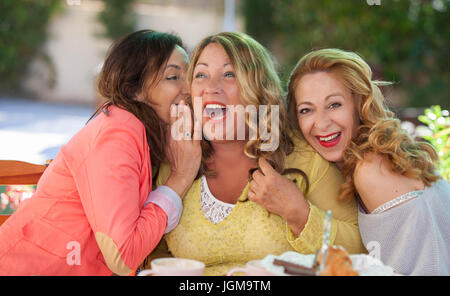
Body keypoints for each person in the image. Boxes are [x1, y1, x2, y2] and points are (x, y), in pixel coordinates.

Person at [146, 32, 366, 276]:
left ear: (258, 88)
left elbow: (358, 249)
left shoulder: (302, 157)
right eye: (201, 75)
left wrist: (300, 215)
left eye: (229, 74)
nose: (211, 88)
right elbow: (152, 252)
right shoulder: (174, 160)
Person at [0, 30, 201, 275]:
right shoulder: (118, 135)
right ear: (133, 90)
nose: (189, 89)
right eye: (173, 77)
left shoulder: (140, 133)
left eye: (189, 76)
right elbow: (122, 257)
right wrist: (179, 179)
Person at [287, 48, 450, 275]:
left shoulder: (370, 169)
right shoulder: (384, 151)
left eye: (334, 104)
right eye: (306, 110)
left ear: (359, 104)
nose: (321, 123)